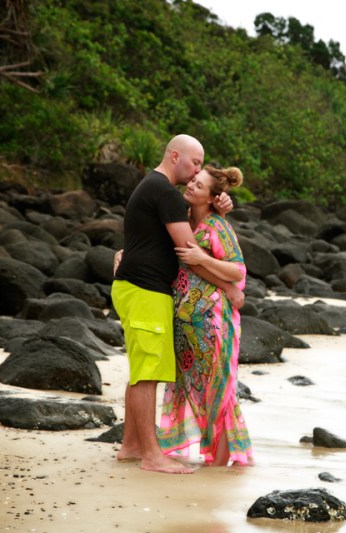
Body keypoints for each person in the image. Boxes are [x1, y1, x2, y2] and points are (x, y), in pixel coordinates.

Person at [111, 134, 242, 474]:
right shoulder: (165, 192)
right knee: (148, 374)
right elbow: (190, 254)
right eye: (195, 163)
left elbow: (155, 237)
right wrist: (228, 287)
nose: (198, 170)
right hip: (145, 291)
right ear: (174, 156)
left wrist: (218, 206)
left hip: (138, 289)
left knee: (143, 370)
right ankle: (151, 455)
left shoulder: (156, 188)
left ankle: (131, 446)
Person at [157, 165, 254, 467]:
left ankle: (219, 466)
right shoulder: (184, 220)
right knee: (197, 390)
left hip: (213, 323)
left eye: (199, 186)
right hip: (187, 327)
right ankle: (214, 458)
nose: (191, 186)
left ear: (212, 198)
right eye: (193, 181)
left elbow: (238, 270)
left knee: (219, 392)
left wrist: (203, 258)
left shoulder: (217, 225)